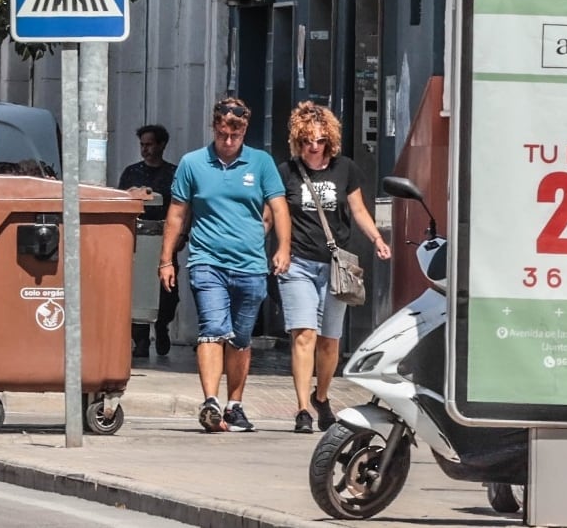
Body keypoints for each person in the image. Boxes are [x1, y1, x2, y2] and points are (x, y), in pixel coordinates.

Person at [160, 98, 289, 433]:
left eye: (234, 136)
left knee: (241, 339)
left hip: (250, 265)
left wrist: (283, 248)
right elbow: (176, 214)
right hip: (207, 261)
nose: (228, 142)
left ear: (244, 131)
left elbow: (278, 207)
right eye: (222, 135)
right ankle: (211, 403)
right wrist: (166, 260)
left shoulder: (261, 163)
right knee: (213, 330)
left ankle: (234, 405)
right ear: (214, 129)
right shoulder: (192, 164)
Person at [278, 101, 389, 434]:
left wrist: (376, 240)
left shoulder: (346, 169)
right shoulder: (287, 172)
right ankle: (301, 409)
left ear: (330, 140)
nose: (315, 146)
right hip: (298, 262)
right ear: (298, 140)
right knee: (304, 335)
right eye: (308, 140)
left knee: (329, 341)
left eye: (321, 140)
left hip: (336, 266)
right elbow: (276, 215)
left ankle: (322, 396)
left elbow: (358, 211)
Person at [118, 124, 178, 359]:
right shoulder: (132, 172)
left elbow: (182, 206)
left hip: (165, 238)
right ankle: (140, 338)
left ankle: (162, 325)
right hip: (138, 238)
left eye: (150, 144)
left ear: (162, 145)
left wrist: (181, 236)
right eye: (142, 145)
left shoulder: (174, 173)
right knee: (139, 288)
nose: (145, 149)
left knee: (168, 290)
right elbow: (120, 201)